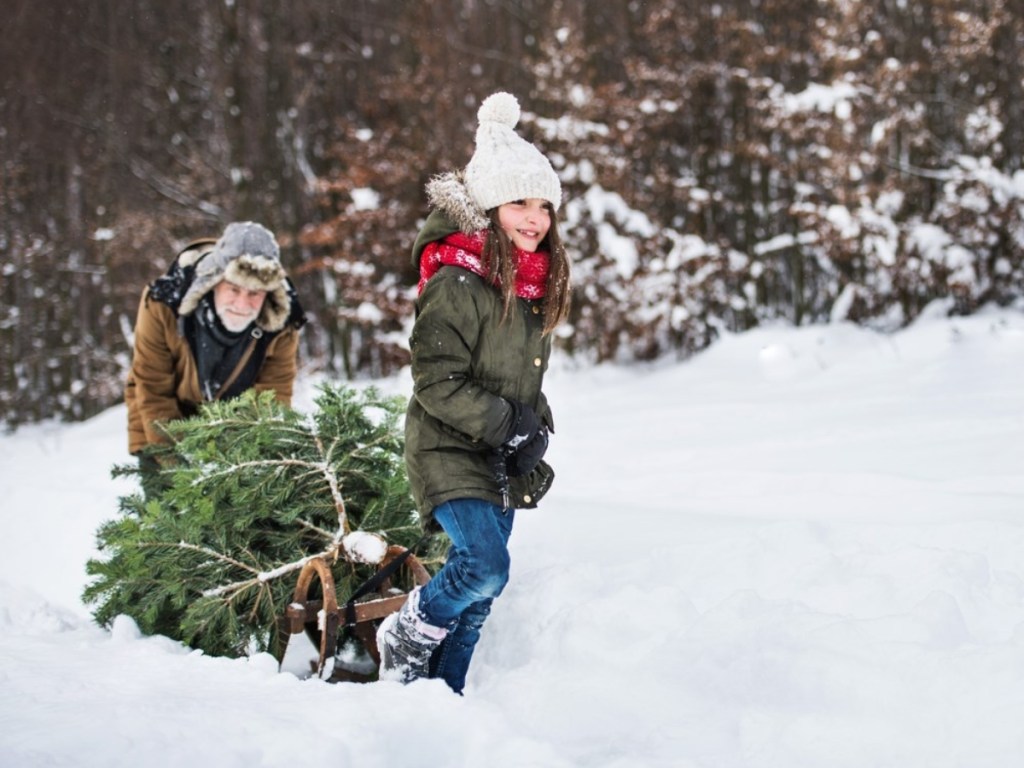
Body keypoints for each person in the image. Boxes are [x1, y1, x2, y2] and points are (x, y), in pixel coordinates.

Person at [376, 92, 572, 693]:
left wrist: (534, 429)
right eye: (519, 202)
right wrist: (505, 424)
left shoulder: (530, 286)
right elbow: (436, 379)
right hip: (446, 448)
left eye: (543, 205)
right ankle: (405, 633)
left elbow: (520, 377)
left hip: (499, 456)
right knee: (483, 568)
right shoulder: (458, 281)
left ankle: (442, 698)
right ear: (489, 206)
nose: (534, 217)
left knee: (481, 600)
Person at [125, 221, 305, 487]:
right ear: (214, 282)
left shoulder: (283, 321)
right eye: (234, 289)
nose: (242, 305)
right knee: (172, 513)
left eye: (254, 293)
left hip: (235, 422)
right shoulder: (163, 303)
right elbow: (153, 389)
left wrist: (256, 463)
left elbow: (273, 395)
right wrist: (181, 471)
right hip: (163, 415)